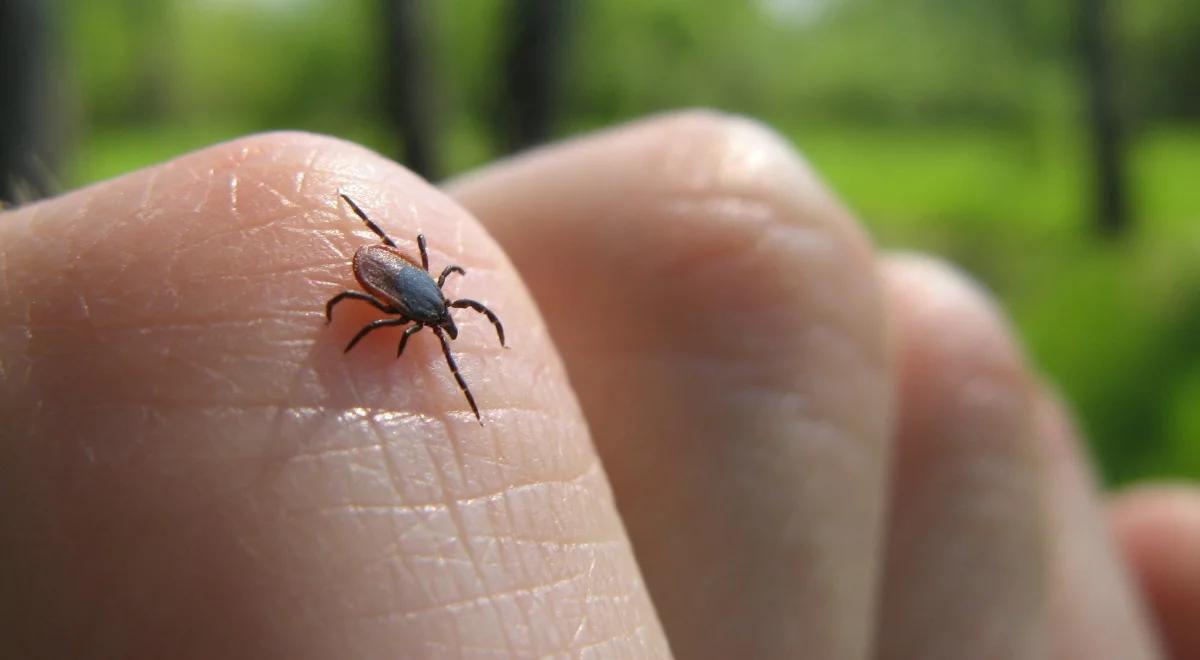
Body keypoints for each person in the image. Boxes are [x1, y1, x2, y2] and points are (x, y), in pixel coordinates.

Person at [0, 111, 1195, 658]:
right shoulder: (410, 292)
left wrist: (397, 317)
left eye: (428, 316)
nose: (427, 317)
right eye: (425, 314)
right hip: (368, 251)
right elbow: (392, 283)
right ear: (415, 300)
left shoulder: (401, 299)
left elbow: (389, 291)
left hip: (373, 258)